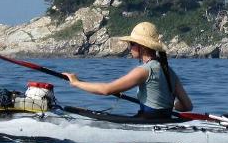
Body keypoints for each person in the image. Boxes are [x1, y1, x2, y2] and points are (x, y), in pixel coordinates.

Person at [63, 21, 193, 121]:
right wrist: (167, 104)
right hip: (165, 121)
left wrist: (76, 82)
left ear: (141, 46)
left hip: (147, 124)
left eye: (132, 44)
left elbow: (106, 89)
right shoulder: (168, 70)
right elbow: (187, 106)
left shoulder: (144, 71)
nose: (129, 48)